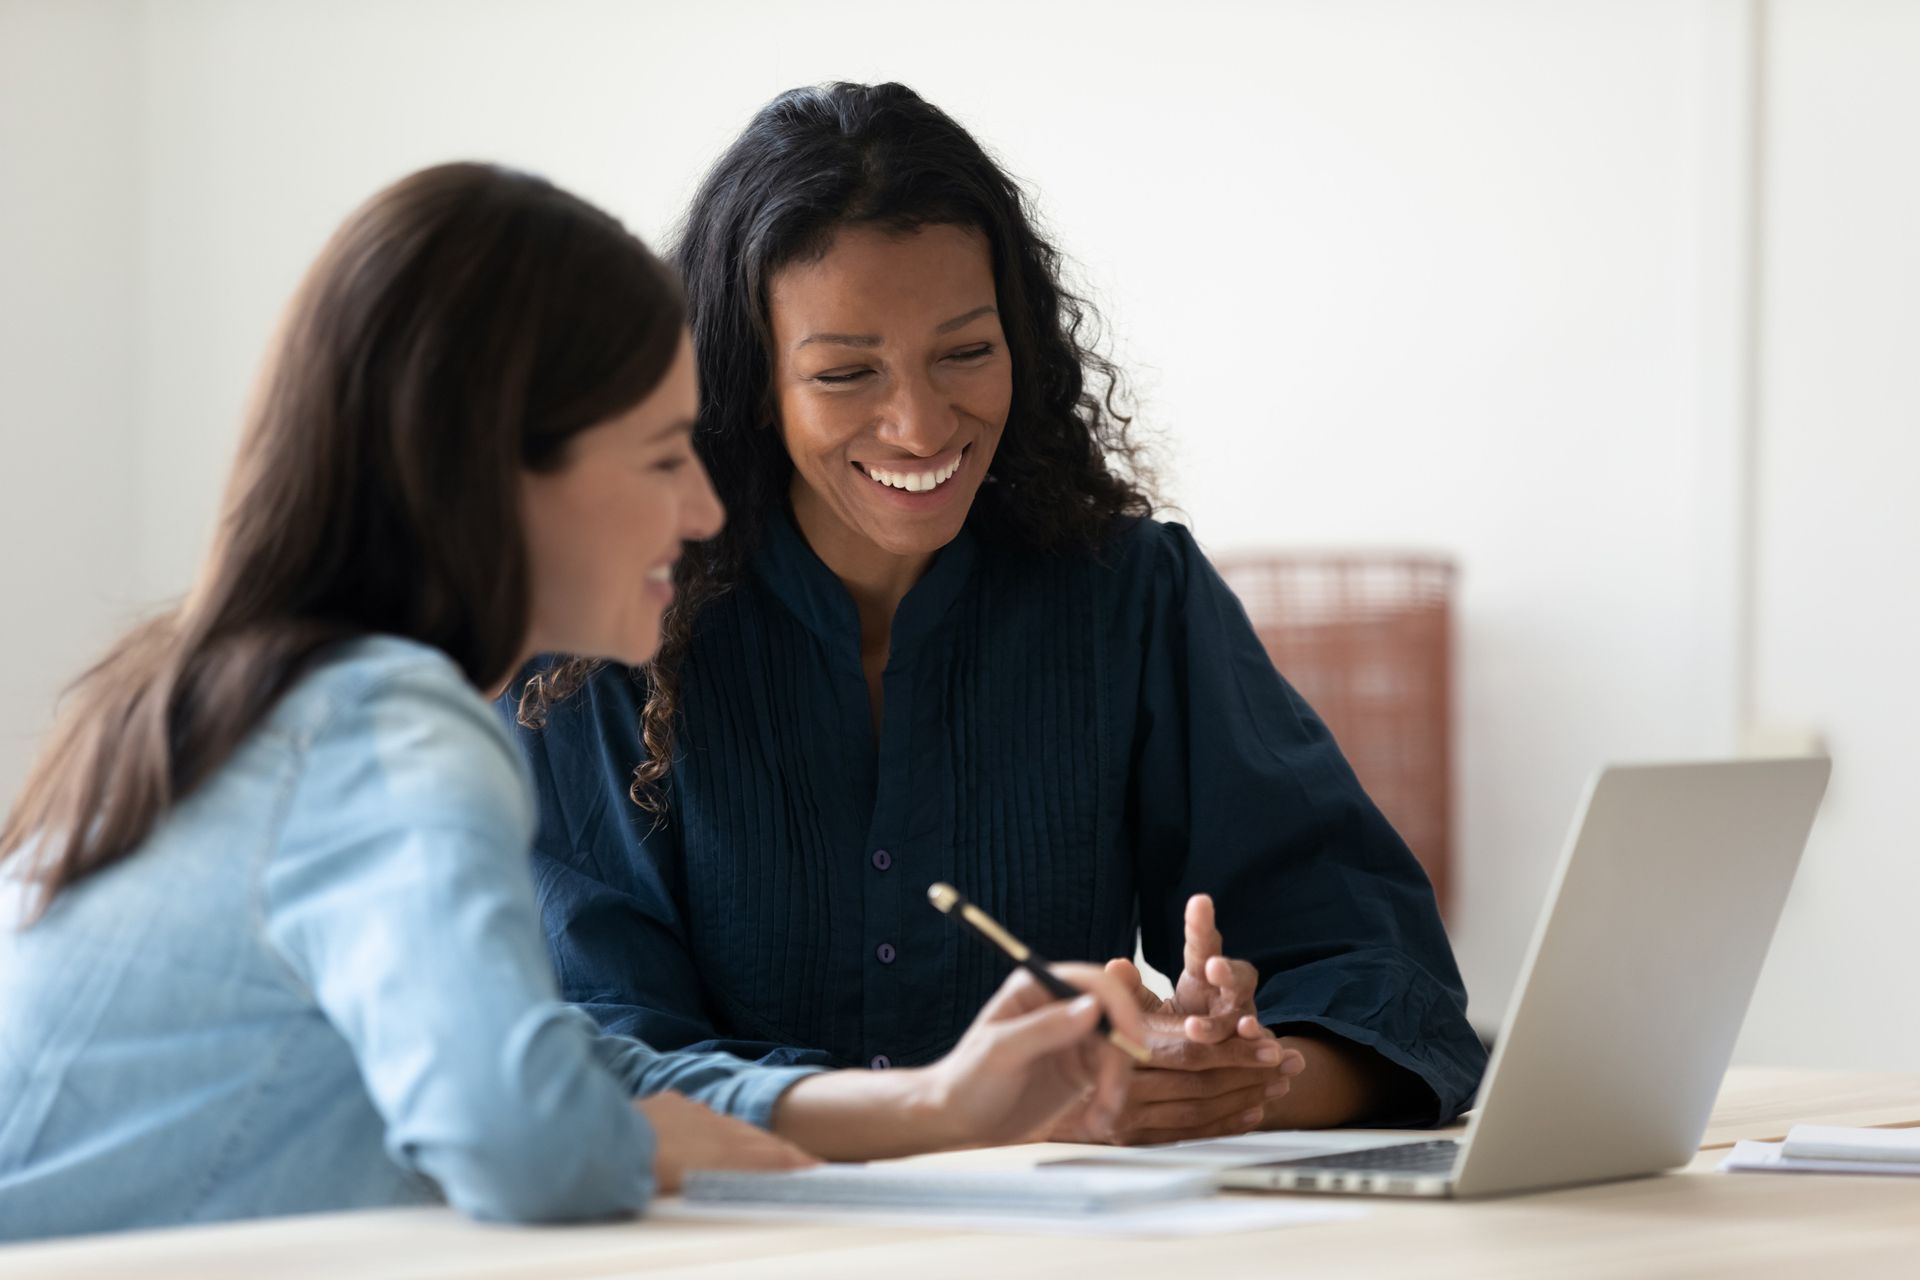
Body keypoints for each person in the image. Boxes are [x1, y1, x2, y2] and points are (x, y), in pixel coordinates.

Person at [0, 162, 1141, 1243]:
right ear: (493, 472)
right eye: (658, 457)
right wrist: (660, 1143)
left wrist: (936, 1103)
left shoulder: (242, 698)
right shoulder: (386, 726)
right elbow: (527, 1135)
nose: (701, 509)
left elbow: (549, 1069)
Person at [505, 82, 1487, 1146]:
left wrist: (1218, 1079)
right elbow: (596, 1058)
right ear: (749, 384)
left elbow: (1396, 985)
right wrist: (960, 1113)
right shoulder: (607, 633)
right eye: (845, 372)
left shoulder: (1131, 595)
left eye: (967, 352)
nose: (922, 423)